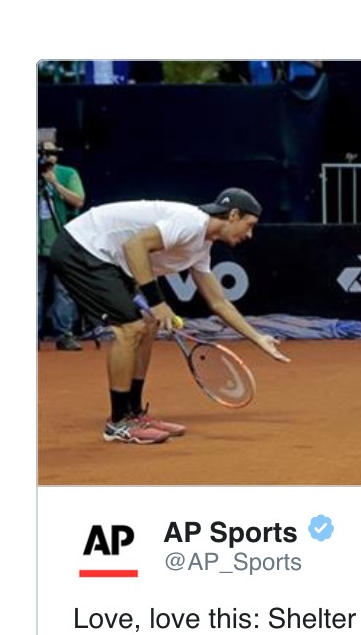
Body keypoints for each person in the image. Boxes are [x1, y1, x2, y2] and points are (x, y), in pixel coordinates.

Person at [49, 188, 289, 444]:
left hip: (110, 258)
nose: (249, 234)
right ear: (232, 215)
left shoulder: (201, 247)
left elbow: (219, 302)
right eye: (248, 225)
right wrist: (157, 302)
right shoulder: (190, 222)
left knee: (148, 325)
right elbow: (135, 245)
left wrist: (258, 338)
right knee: (130, 328)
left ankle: (135, 412)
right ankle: (118, 423)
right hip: (82, 247)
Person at [38, 137, 85, 350]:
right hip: (35, 244)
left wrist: (54, 183)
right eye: (42, 154)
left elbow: (78, 200)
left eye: (51, 153)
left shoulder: (67, 174)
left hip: (60, 242)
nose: (47, 158)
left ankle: (64, 333)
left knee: (63, 290)